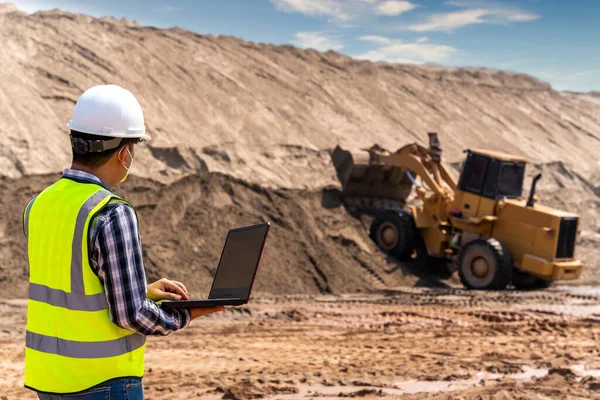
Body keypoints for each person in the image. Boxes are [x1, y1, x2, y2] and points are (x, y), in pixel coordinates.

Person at [22, 84, 223, 399]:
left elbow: (71, 286)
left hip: (50, 380)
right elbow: (130, 315)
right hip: (103, 381)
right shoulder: (112, 212)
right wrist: (186, 314)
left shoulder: (37, 206)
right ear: (125, 152)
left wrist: (141, 290)